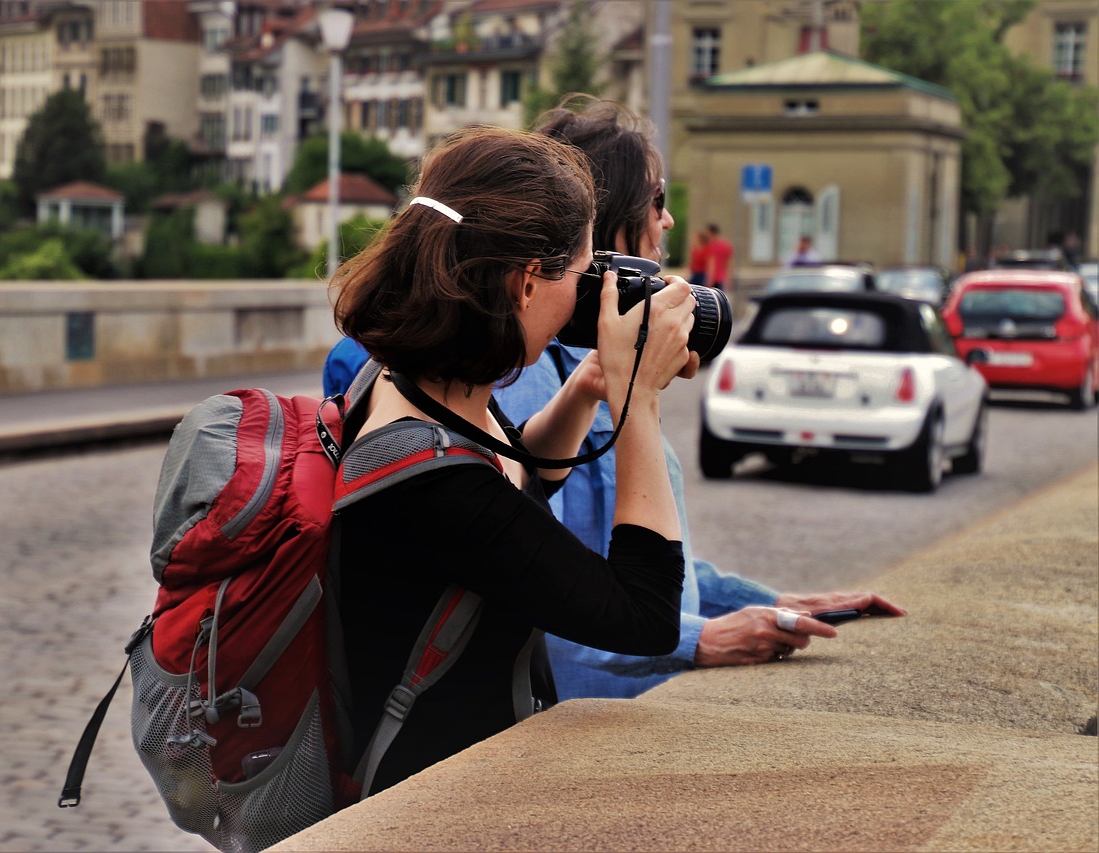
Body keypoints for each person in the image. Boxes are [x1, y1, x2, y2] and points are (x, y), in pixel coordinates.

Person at [494, 96, 905, 700]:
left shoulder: (590, 360)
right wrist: (701, 640)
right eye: (657, 201)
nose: (668, 223)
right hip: (574, 724)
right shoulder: (528, 372)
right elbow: (533, 585)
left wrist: (767, 604)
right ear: (605, 223)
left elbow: (640, 560)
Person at [331, 125, 699, 794]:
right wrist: (636, 399)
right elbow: (643, 618)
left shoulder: (410, 384)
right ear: (527, 284)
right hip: (428, 803)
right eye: (585, 276)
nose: (588, 296)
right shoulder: (435, 485)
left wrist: (589, 385)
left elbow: (515, 480)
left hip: (449, 778)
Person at [705, 222, 733, 290]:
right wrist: (729, 279)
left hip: (714, 279)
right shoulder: (727, 245)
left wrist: (709, 280)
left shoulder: (711, 246)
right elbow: (729, 264)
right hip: (723, 278)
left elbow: (712, 264)